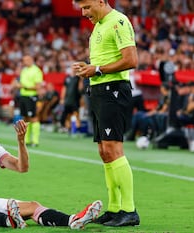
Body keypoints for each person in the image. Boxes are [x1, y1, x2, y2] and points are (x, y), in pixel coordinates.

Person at [0, 101, 102, 229]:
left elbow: (22, 167)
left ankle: (73, 220)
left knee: (33, 206)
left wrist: (21, 142)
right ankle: (9, 220)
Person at [72, 0, 140, 227]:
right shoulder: (99, 25)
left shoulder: (118, 21)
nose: (84, 13)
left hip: (114, 91)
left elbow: (131, 60)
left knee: (113, 148)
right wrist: (89, 69)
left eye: (87, 7)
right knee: (104, 151)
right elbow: (103, 62)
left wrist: (98, 69)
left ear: (101, 1)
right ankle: (114, 208)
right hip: (100, 90)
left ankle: (129, 210)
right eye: (82, 8)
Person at [17, 55, 43, 147]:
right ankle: (27, 140)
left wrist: (25, 87)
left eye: (27, 60)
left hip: (31, 96)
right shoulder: (24, 70)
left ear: (32, 60)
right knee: (25, 118)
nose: (25, 62)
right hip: (23, 96)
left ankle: (35, 141)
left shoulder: (36, 71)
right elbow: (21, 83)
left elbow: (38, 86)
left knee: (34, 117)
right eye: (24, 60)